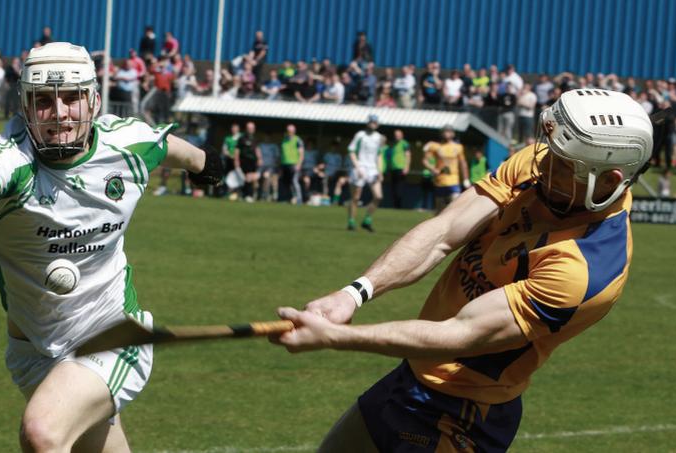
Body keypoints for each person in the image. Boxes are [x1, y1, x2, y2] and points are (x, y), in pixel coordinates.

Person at [271, 89, 654, 452]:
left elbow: (459, 333)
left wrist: (334, 337)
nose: (543, 164)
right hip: (411, 377)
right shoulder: (537, 168)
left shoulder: (584, 270)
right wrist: (353, 293)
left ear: (608, 181)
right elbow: (443, 232)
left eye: (562, 164)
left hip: (462, 413)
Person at [0, 42, 223, 453]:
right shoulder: (11, 161)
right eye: (43, 101)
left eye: (71, 98)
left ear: (93, 100)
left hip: (112, 335)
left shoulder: (125, 143)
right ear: (24, 106)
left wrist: (206, 165)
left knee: (43, 432)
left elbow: (173, 148)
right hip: (34, 352)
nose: (59, 113)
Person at [347, 115, 384, 231]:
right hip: (360, 166)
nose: (373, 124)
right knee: (356, 197)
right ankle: (351, 221)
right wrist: (357, 167)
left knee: (378, 196)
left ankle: (367, 219)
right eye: (372, 122)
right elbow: (351, 151)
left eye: (375, 122)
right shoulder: (360, 135)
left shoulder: (379, 137)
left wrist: (379, 171)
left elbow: (379, 155)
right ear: (367, 123)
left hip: (372, 169)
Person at [423, 125, 469, 214]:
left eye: (448, 131)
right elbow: (425, 160)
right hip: (440, 182)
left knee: (456, 210)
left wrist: (466, 179)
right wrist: (433, 169)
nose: (446, 133)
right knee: (440, 213)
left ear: (453, 133)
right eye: (444, 131)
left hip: (453, 183)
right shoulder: (435, 146)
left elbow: (463, 163)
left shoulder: (458, 147)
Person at [235, 121, 263, 202]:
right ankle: (247, 195)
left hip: (253, 162)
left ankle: (246, 195)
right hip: (244, 161)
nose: (251, 129)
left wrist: (260, 158)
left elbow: (257, 150)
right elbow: (237, 150)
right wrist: (236, 161)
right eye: (249, 128)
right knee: (247, 177)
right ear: (246, 129)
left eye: (252, 128)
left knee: (250, 178)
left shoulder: (255, 139)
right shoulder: (241, 138)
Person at [386, 129, 411, 209]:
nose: (397, 136)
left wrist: (406, 167)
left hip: (401, 168)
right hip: (393, 169)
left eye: (398, 135)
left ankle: (399, 206)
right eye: (396, 135)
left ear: (402, 135)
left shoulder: (405, 144)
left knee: (399, 188)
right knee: (393, 188)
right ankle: (395, 205)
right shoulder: (392, 144)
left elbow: (408, 155)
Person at [280, 124, 305, 204]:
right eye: (288, 131)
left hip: (294, 165)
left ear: (294, 131)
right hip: (284, 164)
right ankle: (287, 198)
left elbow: (301, 154)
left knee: (294, 181)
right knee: (286, 183)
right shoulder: (284, 140)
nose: (289, 132)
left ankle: (299, 199)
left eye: (291, 131)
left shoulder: (298, 140)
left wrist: (299, 164)